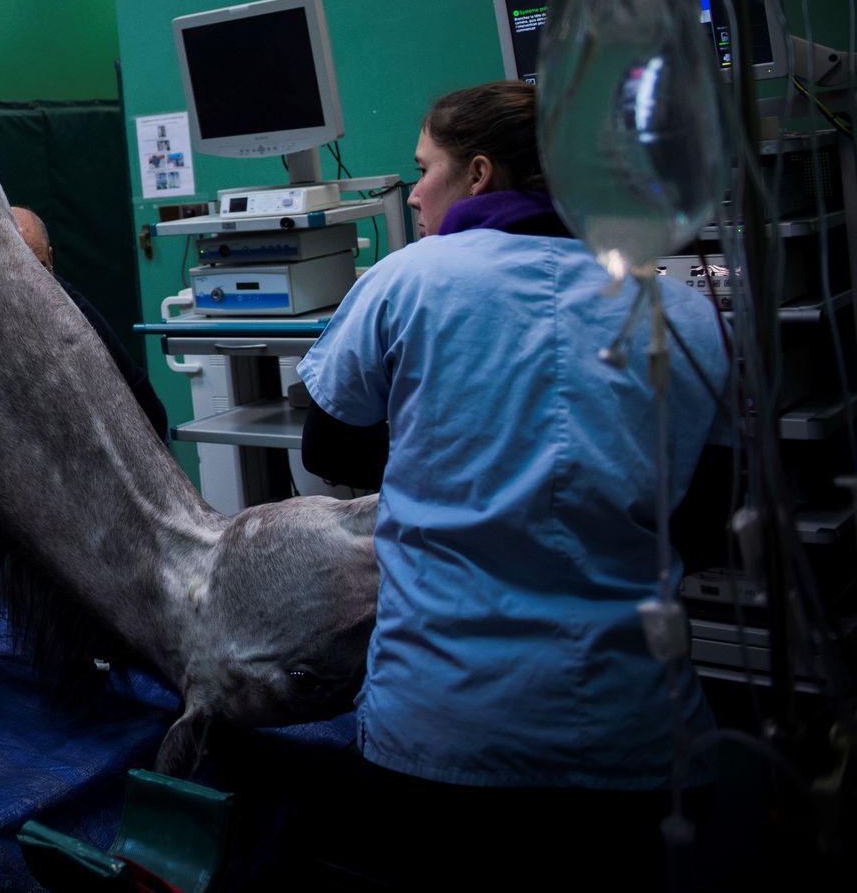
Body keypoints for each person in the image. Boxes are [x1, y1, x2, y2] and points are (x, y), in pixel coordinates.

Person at [294, 81, 726, 889]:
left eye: (424, 167)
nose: (415, 189)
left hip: (442, 737)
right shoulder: (684, 313)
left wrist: (448, 461)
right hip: (639, 745)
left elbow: (332, 445)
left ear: (480, 173)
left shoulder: (408, 281)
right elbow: (703, 529)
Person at [12, 205, 169, 439]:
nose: (34, 284)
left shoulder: (72, 308)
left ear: (51, 259)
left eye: (40, 268)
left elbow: (134, 384)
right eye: (21, 272)